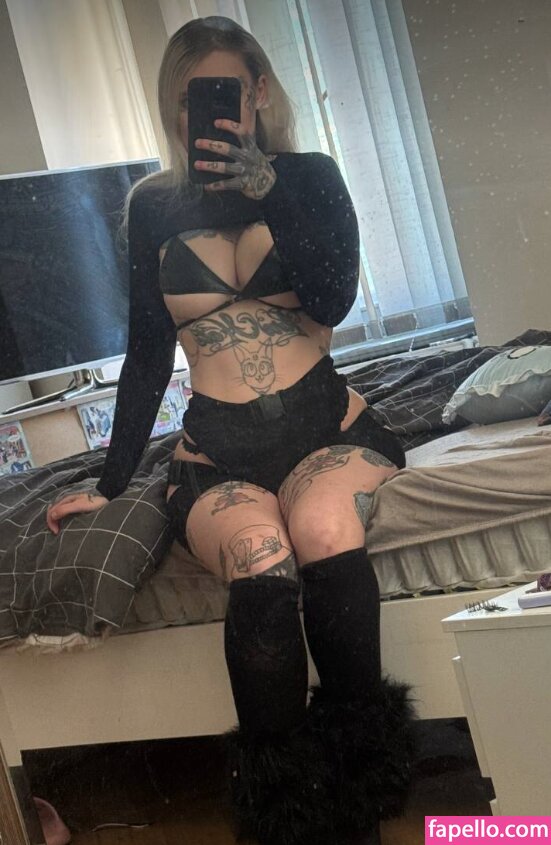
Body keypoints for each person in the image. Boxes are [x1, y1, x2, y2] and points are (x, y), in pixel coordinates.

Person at [47, 16, 416, 845]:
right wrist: (108, 484)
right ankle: (285, 819)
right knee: (260, 559)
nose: (203, 117)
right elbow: (147, 353)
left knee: (323, 529)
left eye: (219, 95)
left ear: (257, 92)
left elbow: (331, 298)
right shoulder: (151, 204)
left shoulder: (310, 176)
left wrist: (270, 191)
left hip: (327, 431)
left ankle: (359, 799)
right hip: (219, 454)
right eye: (186, 102)